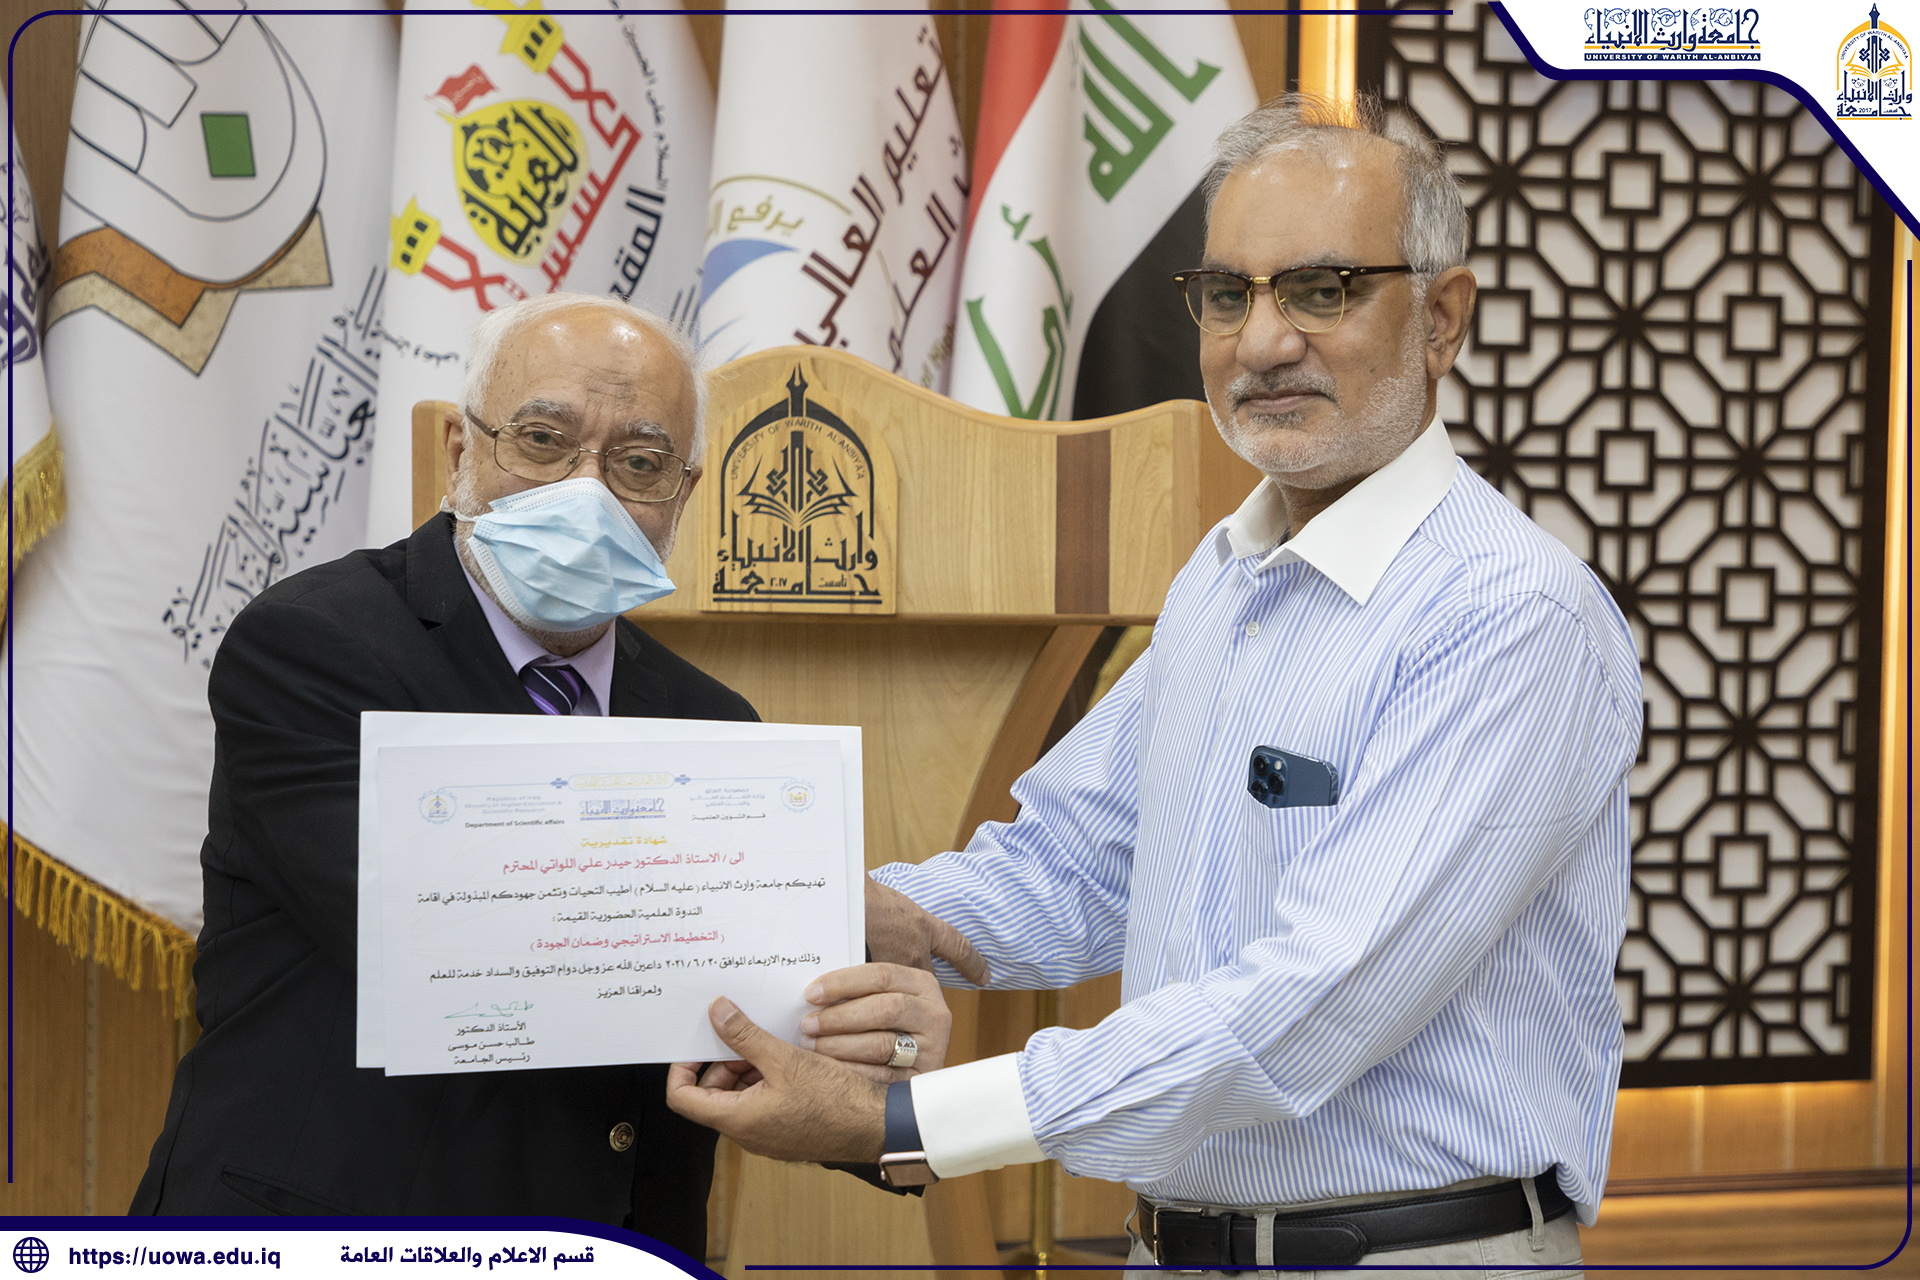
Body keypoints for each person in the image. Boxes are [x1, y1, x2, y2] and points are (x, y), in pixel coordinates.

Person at [668, 94, 1643, 1277]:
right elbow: (1080, 860)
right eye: (1228, 295)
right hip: (1170, 1249)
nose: (1262, 342)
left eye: (1320, 290)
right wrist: (860, 915)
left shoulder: (1508, 616)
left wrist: (902, 1118)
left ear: (1442, 318)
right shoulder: (1222, 578)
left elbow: (1307, 1002)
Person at [133, 295, 754, 1244]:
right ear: (461, 452)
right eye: (542, 441)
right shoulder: (312, 646)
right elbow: (451, 935)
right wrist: (763, 902)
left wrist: (891, 1118)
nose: (586, 493)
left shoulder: (714, 727)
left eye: (638, 462)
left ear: (682, 493)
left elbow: (745, 1014)